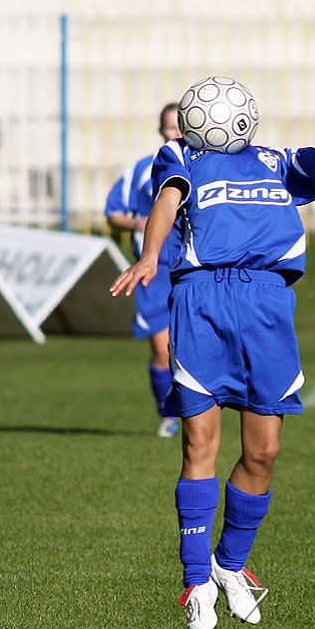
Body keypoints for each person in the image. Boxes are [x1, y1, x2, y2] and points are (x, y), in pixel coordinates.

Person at [110, 75, 315, 629]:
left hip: (267, 301)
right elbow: (168, 199)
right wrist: (151, 255)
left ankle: (231, 566)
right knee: (200, 441)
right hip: (202, 298)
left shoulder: (276, 160)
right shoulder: (180, 153)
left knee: (265, 451)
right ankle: (197, 579)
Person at [105, 103, 181, 438]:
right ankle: (168, 414)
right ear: (160, 130)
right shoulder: (142, 169)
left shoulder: (208, 166)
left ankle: (200, 409)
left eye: (181, 127)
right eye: (169, 127)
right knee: (162, 348)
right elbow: (113, 212)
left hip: (194, 268)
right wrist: (139, 222)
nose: (175, 133)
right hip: (154, 270)